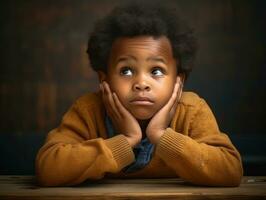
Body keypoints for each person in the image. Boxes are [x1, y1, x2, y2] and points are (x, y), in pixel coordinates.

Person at [35, 2, 243, 187]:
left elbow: (230, 170)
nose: (141, 84)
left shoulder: (191, 110)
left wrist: (162, 137)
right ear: (104, 79)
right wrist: (126, 140)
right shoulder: (88, 110)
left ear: (179, 80)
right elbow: (48, 169)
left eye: (156, 71)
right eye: (126, 71)